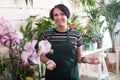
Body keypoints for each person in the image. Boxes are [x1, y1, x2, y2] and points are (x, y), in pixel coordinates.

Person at [40, 4, 100, 80]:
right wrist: (48, 61)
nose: (59, 17)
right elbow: (42, 56)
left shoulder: (76, 34)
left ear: (67, 16)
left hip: (71, 76)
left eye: (62, 14)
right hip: (52, 76)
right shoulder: (47, 34)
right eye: (55, 15)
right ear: (53, 18)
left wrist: (85, 60)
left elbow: (79, 57)